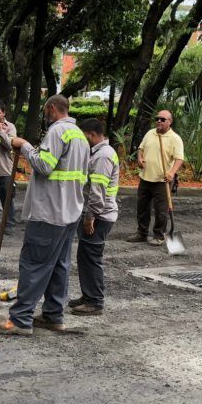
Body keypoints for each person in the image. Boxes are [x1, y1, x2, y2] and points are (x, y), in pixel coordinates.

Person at [0, 95, 89, 336]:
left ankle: (21, 319)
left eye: (46, 111)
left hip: (49, 212)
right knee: (58, 265)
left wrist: (23, 145)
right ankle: (53, 315)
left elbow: (44, 166)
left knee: (34, 264)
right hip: (69, 212)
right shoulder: (80, 136)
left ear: (52, 109)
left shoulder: (57, 132)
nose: (45, 116)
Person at [69, 118, 119, 315]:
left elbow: (98, 190)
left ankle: (95, 301)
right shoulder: (98, 153)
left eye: (83, 136)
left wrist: (90, 216)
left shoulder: (103, 156)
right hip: (97, 213)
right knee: (85, 255)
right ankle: (88, 295)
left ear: (91, 134)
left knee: (91, 257)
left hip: (100, 215)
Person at [128, 109, 184, 245]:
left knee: (161, 211)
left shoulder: (175, 139)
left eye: (162, 119)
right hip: (145, 178)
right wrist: (140, 158)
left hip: (162, 181)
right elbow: (140, 148)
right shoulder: (150, 133)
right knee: (142, 208)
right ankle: (142, 233)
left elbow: (179, 159)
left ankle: (159, 235)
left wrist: (171, 172)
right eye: (157, 118)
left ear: (170, 122)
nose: (159, 121)